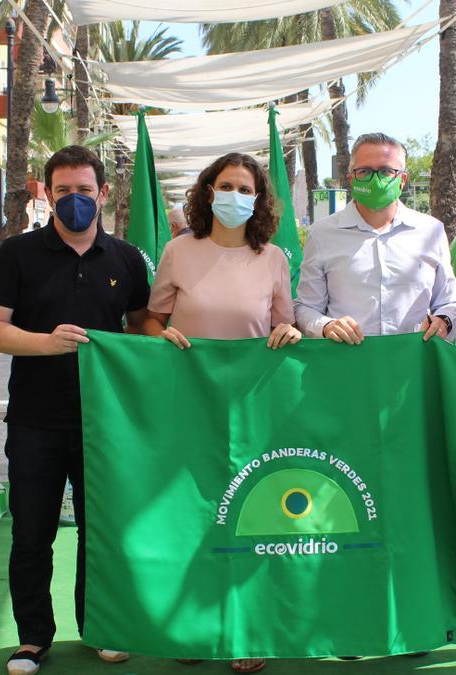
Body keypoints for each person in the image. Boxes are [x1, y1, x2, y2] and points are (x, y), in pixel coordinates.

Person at [0, 145, 151, 675]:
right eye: (62, 191)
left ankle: (100, 626)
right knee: (32, 533)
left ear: (103, 194)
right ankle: (33, 638)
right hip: (34, 420)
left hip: (106, 422)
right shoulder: (17, 254)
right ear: (46, 195)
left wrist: (169, 341)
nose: (73, 200)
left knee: (102, 532)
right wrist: (46, 344)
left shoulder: (125, 258)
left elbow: (143, 324)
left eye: (83, 190)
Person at [145, 153, 298, 673]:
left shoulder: (274, 258)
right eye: (226, 184)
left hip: (254, 407)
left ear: (258, 199)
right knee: (193, 516)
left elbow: (286, 327)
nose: (235, 194)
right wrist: (159, 335)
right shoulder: (179, 250)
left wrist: (290, 333)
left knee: (250, 516)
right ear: (209, 191)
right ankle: (192, 628)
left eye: (246, 187)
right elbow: (153, 318)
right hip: (189, 404)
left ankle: (248, 629)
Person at [294, 132, 456, 345]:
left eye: (386, 171)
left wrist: (444, 321)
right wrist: (326, 326)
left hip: (413, 363)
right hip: (349, 363)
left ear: (402, 180)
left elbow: (449, 302)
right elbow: (306, 307)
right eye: (364, 171)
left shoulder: (431, 231)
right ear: (351, 178)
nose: (376, 179)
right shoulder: (322, 234)